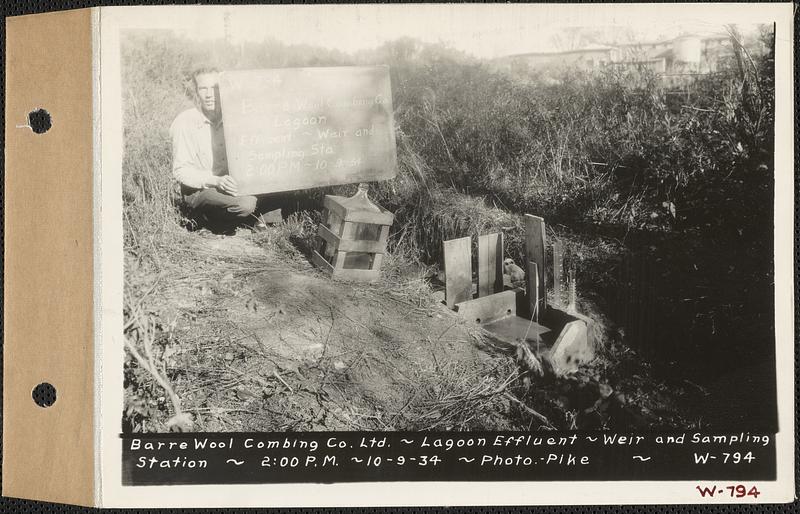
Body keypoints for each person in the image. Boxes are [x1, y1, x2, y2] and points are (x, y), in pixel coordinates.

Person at [169, 66, 265, 233]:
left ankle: (256, 218)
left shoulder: (234, 118)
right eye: (203, 88)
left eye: (215, 88)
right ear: (196, 92)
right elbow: (180, 170)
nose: (209, 94)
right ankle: (206, 219)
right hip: (201, 189)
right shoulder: (185, 121)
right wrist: (215, 181)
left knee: (276, 180)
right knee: (246, 204)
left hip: (229, 185)